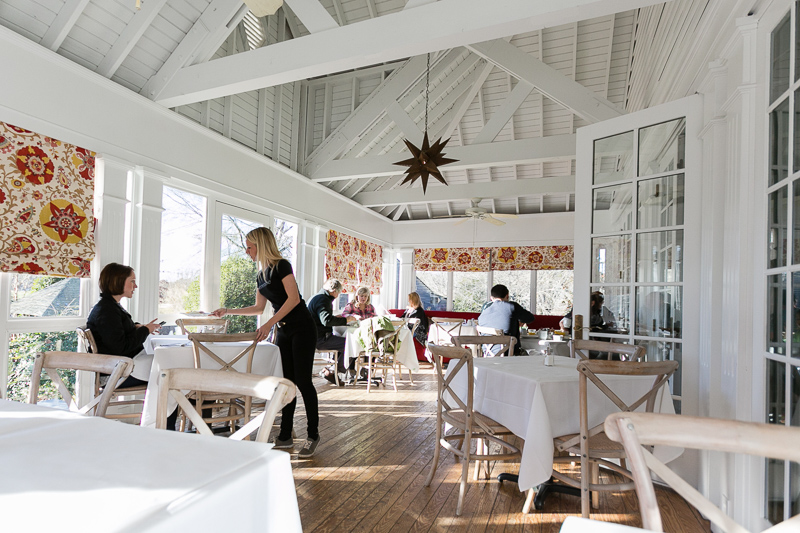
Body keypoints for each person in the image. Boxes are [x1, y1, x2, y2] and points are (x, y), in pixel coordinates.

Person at [210, 227, 321, 458]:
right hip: (283, 330)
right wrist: (228, 310)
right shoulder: (260, 275)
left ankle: (313, 434)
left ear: (261, 245)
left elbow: (293, 300)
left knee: (302, 381)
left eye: (249, 247)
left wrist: (269, 324)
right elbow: (259, 308)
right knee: (285, 383)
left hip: (301, 327)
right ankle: (285, 436)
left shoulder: (282, 265)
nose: (247, 251)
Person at [86, 262, 161, 389]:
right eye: (132, 281)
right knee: (171, 372)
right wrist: (145, 330)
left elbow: (115, 333)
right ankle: (181, 408)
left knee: (168, 367)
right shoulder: (107, 311)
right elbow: (121, 347)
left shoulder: (108, 306)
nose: (135, 286)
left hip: (120, 368)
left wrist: (136, 327)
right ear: (118, 281)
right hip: (117, 374)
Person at [307, 279, 357, 384]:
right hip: (320, 339)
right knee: (351, 345)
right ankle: (332, 371)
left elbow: (321, 318)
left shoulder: (316, 297)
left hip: (311, 337)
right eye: (338, 293)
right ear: (334, 291)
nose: (338, 296)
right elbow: (326, 321)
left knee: (344, 343)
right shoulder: (324, 300)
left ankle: (331, 369)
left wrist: (335, 317)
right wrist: (346, 320)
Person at [478, 284, 535, 355]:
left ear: (491, 298)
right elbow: (530, 318)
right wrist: (520, 321)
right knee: (532, 354)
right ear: (507, 296)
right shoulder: (511, 306)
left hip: (487, 354)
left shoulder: (484, 312)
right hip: (508, 354)